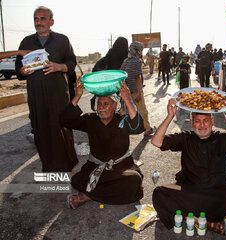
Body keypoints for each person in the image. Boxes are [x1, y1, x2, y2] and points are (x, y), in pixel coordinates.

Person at [151, 99, 226, 234]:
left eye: (206, 120)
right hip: (188, 190)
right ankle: (202, 221)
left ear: (212, 122)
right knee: (159, 193)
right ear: (191, 123)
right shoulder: (185, 138)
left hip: (214, 195)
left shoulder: (225, 138)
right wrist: (169, 116)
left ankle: (186, 214)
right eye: (197, 121)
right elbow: (156, 142)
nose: (202, 125)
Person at [61, 78, 145, 209]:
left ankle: (87, 196)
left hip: (121, 167)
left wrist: (128, 99)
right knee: (76, 180)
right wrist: (77, 96)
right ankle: (112, 191)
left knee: (134, 180)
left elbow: (138, 128)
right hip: (95, 167)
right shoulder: (90, 119)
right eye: (99, 104)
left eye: (106, 104)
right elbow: (66, 120)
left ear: (115, 106)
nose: (101, 107)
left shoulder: (122, 120)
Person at [15, 6, 78, 172]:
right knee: (41, 131)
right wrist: (22, 71)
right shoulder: (26, 42)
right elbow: (18, 69)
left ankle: (69, 165)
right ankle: (48, 166)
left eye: (43, 19)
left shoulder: (62, 40)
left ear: (51, 21)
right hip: (36, 96)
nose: (39, 22)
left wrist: (59, 66)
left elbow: (72, 63)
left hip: (58, 94)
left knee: (62, 128)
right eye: (36, 19)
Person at [121, 41, 153, 136]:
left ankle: (123, 129)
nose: (141, 52)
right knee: (142, 111)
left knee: (124, 111)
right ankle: (147, 129)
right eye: (141, 50)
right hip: (135, 91)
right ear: (137, 50)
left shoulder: (125, 61)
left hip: (125, 91)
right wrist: (139, 93)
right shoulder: (136, 61)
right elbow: (137, 78)